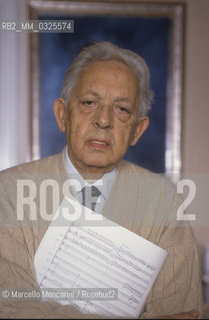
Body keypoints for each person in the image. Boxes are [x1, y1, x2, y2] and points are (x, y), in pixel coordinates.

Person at [0, 41, 203, 319]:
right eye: (88, 103)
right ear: (62, 115)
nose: (104, 120)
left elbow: (182, 312)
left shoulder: (164, 201)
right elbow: (11, 308)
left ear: (137, 131)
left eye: (122, 109)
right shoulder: (9, 192)